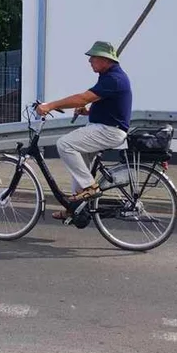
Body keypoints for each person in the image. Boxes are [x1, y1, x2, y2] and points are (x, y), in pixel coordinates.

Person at [36, 41, 132, 219]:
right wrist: (88, 112)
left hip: (109, 131)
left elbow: (83, 97)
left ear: (105, 60)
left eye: (93, 58)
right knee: (81, 163)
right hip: (105, 127)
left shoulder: (114, 79)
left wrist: (50, 105)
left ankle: (90, 188)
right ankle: (76, 210)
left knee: (64, 144)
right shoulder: (108, 76)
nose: (90, 62)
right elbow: (107, 105)